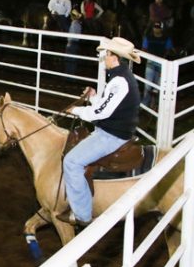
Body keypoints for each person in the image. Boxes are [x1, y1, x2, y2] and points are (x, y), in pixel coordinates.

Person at [60, 37, 142, 226]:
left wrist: (77, 110)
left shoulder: (119, 81)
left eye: (105, 54)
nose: (103, 58)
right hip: (115, 130)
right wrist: (95, 96)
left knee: (71, 162)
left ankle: (82, 215)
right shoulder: (120, 77)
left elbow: (102, 112)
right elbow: (107, 106)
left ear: (114, 56)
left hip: (112, 135)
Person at [140, 22, 175, 108]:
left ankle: (154, 105)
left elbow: (169, 50)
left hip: (161, 64)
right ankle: (145, 105)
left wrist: (165, 57)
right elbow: (143, 49)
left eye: (158, 27)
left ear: (161, 29)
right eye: (155, 27)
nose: (156, 29)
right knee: (148, 85)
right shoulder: (148, 38)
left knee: (157, 87)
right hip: (150, 63)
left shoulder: (166, 38)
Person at [65, 9, 84, 76]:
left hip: (72, 42)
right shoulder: (78, 24)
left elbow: (72, 34)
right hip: (75, 42)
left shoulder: (74, 24)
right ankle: (71, 74)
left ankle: (69, 75)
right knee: (73, 59)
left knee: (70, 59)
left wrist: (69, 42)